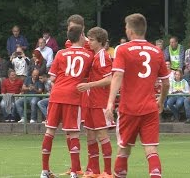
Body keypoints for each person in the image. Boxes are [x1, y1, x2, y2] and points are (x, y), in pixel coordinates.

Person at [104, 13, 170, 178]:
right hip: (150, 108)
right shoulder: (156, 51)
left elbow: (118, 75)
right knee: (151, 149)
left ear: (131, 31)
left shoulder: (123, 49)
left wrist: (110, 103)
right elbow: (166, 83)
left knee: (124, 149)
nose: (125, 30)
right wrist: (160, 101)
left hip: (129, 108)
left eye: (126, 27)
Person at [40, 25, 93, 178]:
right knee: (74, 134)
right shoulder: (88, 55)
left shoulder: (61, 53)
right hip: (73, 95)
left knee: (50, 131)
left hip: (57, 94)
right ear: (82, 36)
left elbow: (52, 78)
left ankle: (44, 171)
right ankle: (75, 173)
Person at [76, 27, 114, 178]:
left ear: (100, 41)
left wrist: (89, 85)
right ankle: (95, 171)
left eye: (92, 40)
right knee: (90, 136)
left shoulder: (103, 56)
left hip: (100, 102)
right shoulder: (95, 54)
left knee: (102, 135)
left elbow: (110, 79)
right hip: (91, 102)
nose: (89, 42)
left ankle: (108, 172)